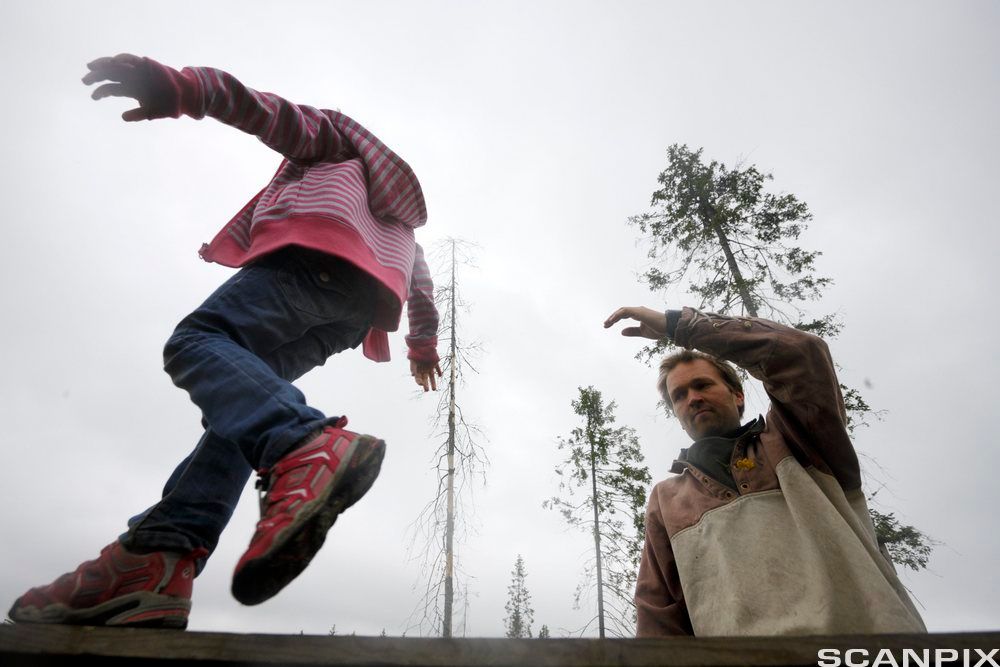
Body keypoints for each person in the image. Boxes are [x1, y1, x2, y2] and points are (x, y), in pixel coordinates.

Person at [8, 54, 441, 629]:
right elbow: (421, 285)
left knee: (196, 340)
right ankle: (160, 554)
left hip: (308, 266)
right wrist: (421, 349)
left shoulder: (336, 139)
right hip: (350, 313)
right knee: (238, 413)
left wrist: (189, 90)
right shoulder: (402, 226)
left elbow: (271, 114)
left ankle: (303, 445)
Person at [603, 305, 926, 636]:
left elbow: (802, 354)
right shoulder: (667, 500)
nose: (693, 398)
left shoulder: (798, 439)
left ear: (738, 396)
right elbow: (659, 616)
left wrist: (680, 325)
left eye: (702, 385)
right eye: (680, 396)